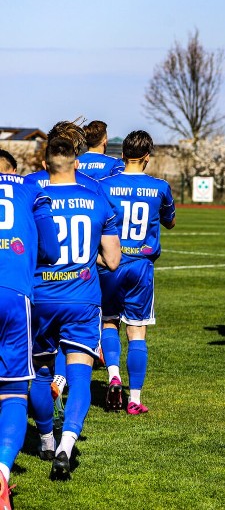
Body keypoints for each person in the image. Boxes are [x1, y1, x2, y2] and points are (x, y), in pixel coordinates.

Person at [28, 138, 121, 480]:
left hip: (40, 297)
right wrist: (86, 258)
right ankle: (67, 447)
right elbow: (112, 260)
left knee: (40, 371)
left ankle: (46, 439)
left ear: (45, 163)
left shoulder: (32, 195)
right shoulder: (97, 198)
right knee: (79, 372)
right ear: (76, 164)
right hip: (82, 298)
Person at [99, 130, 176, 414]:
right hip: (142, 265)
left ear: (122, 155)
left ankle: (113, 375)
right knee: (138, 330)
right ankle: (135, 399)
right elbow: (170, 221)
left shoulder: (104, 186)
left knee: (109, 321)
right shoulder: (160, 187)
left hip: (111, 263)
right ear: (147, 156)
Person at [0, 149, 59, 505]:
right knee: (12, 391)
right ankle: (3, 471)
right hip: (12, 293)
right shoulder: (29, 189)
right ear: (14, 169)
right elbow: (51, 250)